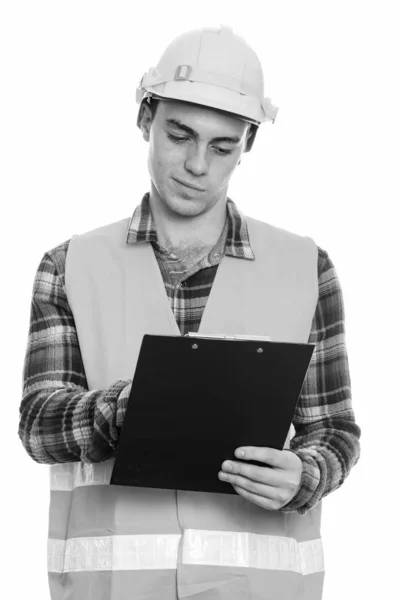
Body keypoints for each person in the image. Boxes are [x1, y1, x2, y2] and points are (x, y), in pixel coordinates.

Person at [18, 25, 361, 600]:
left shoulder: (307, 267)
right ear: (145, 120)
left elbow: (333, 431)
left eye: (222, 146)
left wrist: (307, 475)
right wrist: (128, 408)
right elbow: (38, 425)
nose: (197, 164)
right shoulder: (69, 265)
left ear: (247, 145)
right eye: (179, 135)